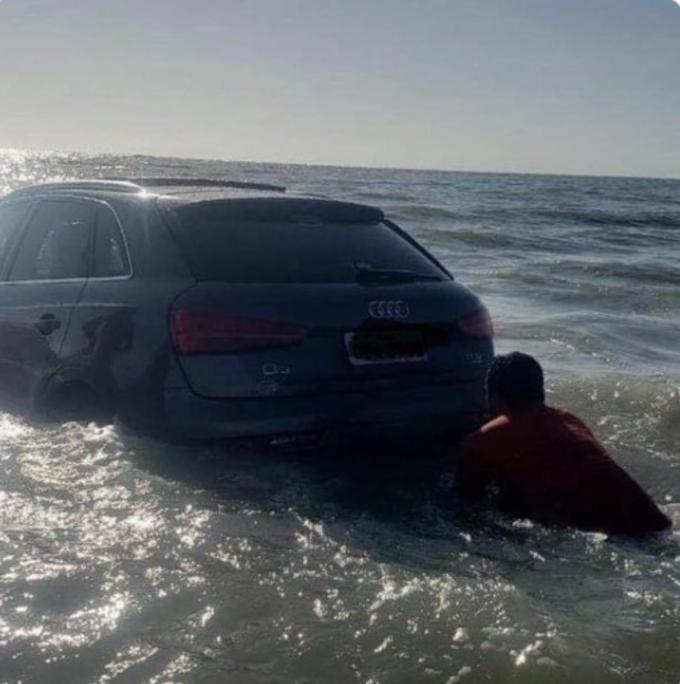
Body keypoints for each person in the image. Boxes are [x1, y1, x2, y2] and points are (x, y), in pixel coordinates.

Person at [455, 352, 671, 535]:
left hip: (599, 527)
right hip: (650, 517)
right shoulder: (569, 419)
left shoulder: (484, 440)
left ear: (495, 397)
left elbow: (468, 502)